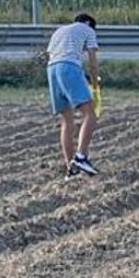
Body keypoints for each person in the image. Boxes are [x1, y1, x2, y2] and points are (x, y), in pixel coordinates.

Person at [46, 13, 101, 178]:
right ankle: (81, 157)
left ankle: (70, 167)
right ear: (88, 23)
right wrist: (95, 82)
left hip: (52, 70)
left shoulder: (60, 31)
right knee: (90, 114)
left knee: (67, 120)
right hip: (69, 67)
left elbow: (55, 56)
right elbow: (92, 60)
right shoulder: (88, 29)